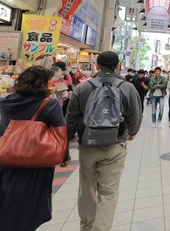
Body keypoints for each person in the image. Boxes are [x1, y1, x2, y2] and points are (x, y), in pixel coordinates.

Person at [66, 51, 141, 231]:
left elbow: (70, 120)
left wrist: (65, 146)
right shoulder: (127, 87)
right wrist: (132, 131)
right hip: (114, 145)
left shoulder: (82, 88)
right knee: (108, 192)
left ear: (97, 66)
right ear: (118, 66)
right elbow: (136, 115)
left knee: (86, 188)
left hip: (87, 145)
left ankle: (87, 226)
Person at [0, 66, 70, 231]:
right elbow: (60, 131)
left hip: (6, 158)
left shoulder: (4, 101)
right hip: (37, 161)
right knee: (32, 201)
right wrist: (64, 155)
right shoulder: (49, 103)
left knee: (7, 197)